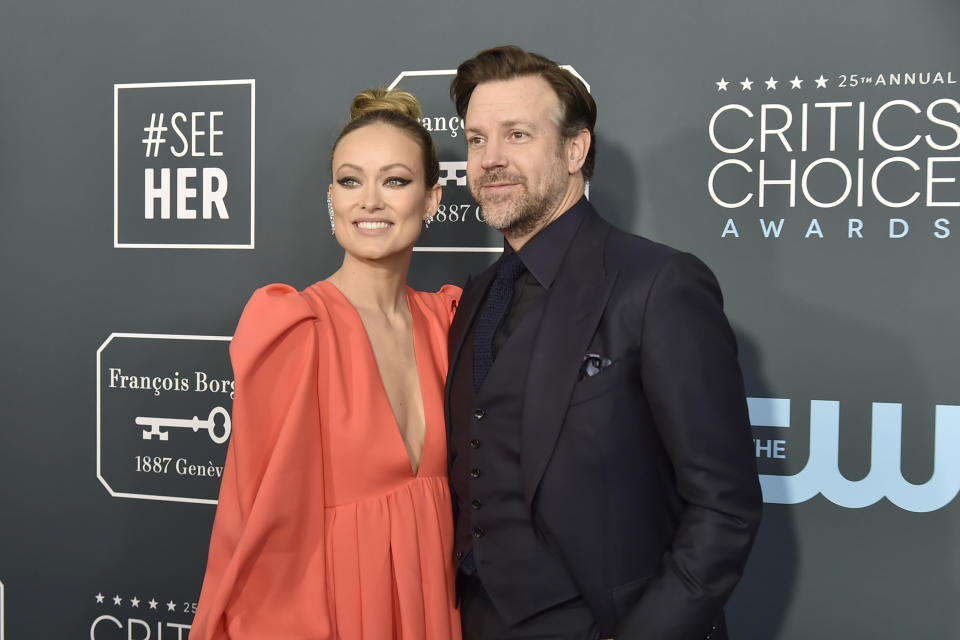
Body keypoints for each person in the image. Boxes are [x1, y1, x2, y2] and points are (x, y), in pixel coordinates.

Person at [445, 45, 762, 640]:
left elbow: (724, 507)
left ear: (575, 149)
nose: (490, 159)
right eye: (476, 139)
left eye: (516, 135)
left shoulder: (659, 284)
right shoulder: (477, 298)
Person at [190, 89, 462, 640]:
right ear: (331, 196)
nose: (369, 201)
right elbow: (264, 527)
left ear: (433, 199)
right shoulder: (295, 331)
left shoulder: (449, 325)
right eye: (350, 180)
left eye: (395, 180)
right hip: (337, 613)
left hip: (439, 606)